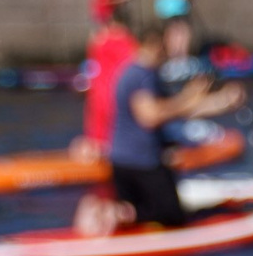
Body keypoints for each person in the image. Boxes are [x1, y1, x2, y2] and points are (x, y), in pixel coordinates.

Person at [97, 20, 243, 230]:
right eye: (165, 46)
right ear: (155, 44)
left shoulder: (143, 74)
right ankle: (118, 213)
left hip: (125, 160)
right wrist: (188, 96)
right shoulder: (140, 74)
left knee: (150, 218)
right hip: (141, 162)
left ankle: (125, 214)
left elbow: (177, 111)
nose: (169, 53)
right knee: (172, 217)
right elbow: (151, 116)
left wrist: (222, 102)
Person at [76, 11, 138, 157]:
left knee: (99, 137)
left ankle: (99, 148)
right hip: (112, 95)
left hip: (102, 95)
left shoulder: (99, 42)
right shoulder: (129, 43)